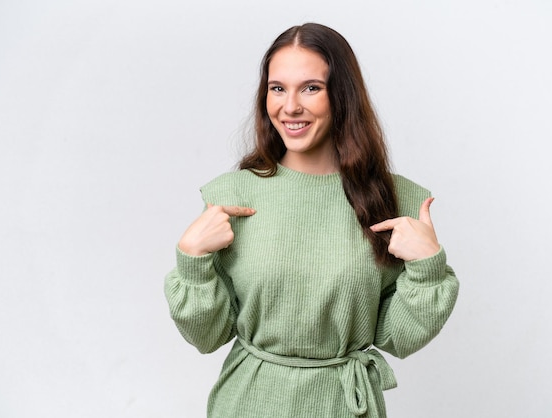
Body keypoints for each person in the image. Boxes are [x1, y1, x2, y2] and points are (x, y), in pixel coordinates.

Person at [164, 22, 459, 418]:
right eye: (278, 88)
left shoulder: (396, 201)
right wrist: (193, 262)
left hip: (344, 406)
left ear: (342, 96)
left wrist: (427, 269)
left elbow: (397, 337)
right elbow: (208, 336)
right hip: (249, 405)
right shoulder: (230, 198)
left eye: (311, 88)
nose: (290, 107)